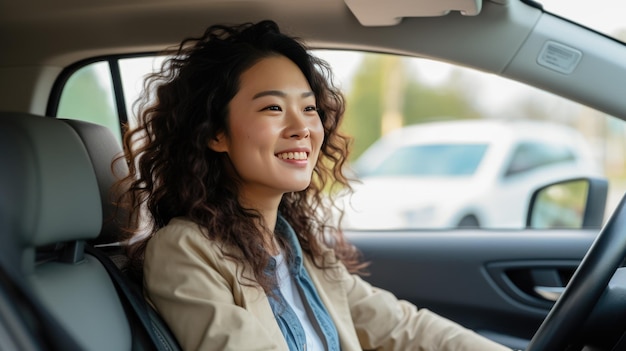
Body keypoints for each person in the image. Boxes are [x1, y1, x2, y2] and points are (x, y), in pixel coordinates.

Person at [116, 20, 513, 351]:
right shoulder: (184, 249)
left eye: (309, 108)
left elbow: (403, 327)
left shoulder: (295, 247)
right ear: (215, 133)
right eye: (273, 107)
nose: (302, 128)